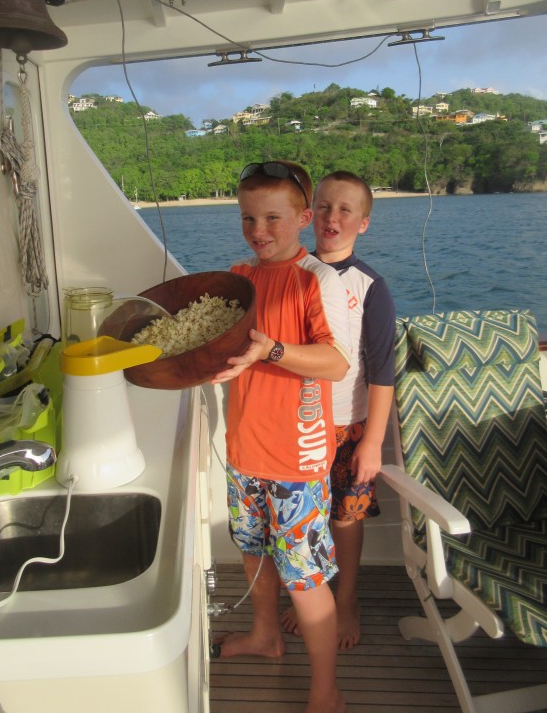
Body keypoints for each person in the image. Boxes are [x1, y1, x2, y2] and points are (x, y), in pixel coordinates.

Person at [211, 160, 352, 713]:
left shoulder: (318, 278)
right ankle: (266, 637)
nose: (258, 230)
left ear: (302, 216)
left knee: (306, 576)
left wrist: (271, 349)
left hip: (297, 455)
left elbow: (336, 363)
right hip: (245, 448)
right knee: (252, 553)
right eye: (248, 218)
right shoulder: (240, 279)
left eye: (272, 217)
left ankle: (326, 691)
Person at [281, 170, 396, 650]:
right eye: (325, 206)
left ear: (363, 223)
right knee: (300, 519)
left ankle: (346, 598)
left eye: (345, 209)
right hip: (296, 422)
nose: (333, 217)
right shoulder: (291, 271)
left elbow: (383, 371)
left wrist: (372, 443)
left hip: (348, 423)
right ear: (309, 214)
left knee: (344, 518)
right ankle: (312, 594)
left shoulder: (371, 286)